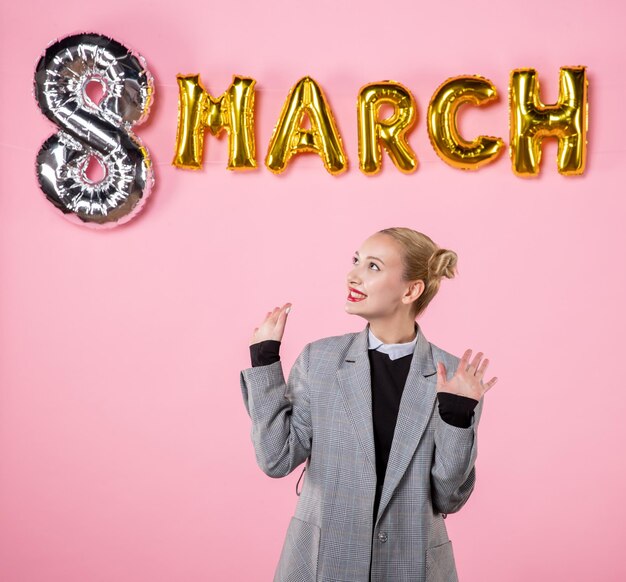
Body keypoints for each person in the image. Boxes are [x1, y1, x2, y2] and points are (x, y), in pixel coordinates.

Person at [239, 227, 497, 582]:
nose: (353, 274)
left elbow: (448, 497)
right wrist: (265, 362)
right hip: (322, 563)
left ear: (411, 290)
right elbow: (276, 457)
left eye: (373, 266)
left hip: (412, 568)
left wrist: (457, 417)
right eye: (356, 261)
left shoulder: (453, 376)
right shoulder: (320, 359)